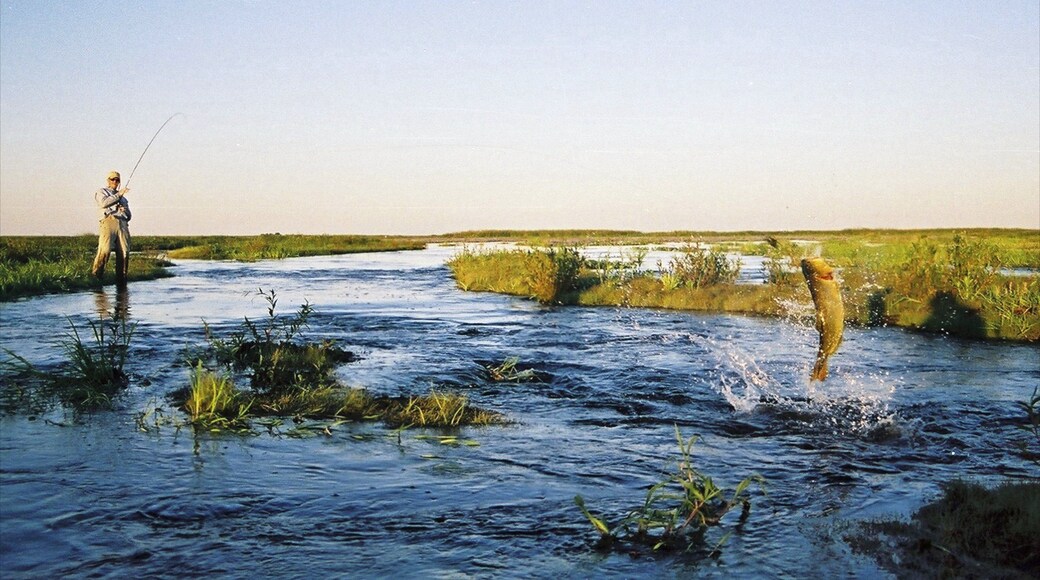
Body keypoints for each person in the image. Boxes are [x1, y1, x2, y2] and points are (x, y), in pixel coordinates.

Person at [91, 171, 132, 288]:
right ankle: (96, 278)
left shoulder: (123, 199)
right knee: (105, 250)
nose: (115, 182)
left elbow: (129, 216)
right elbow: (104, 203)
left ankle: (122, 281)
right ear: (108, 180)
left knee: (124, 252)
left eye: (117, 180)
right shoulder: (102, 192)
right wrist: (118, 195)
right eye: (112, 179)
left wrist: (125, 210)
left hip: (122, 224)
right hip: (108, 221)